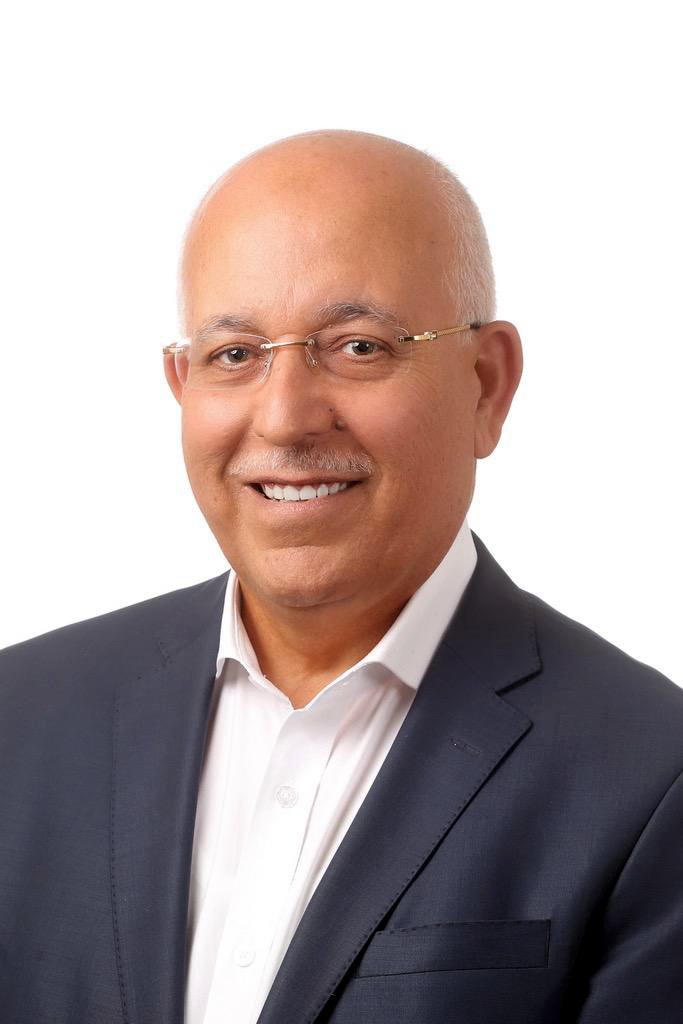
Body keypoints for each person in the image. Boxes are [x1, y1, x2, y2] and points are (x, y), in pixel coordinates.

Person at [1, 129, 681, 1024]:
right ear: (181, 384)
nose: (284, 419)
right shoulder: (20, 719)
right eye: (234, 354)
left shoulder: (650, 778)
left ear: (485, 384)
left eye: (358, 346)